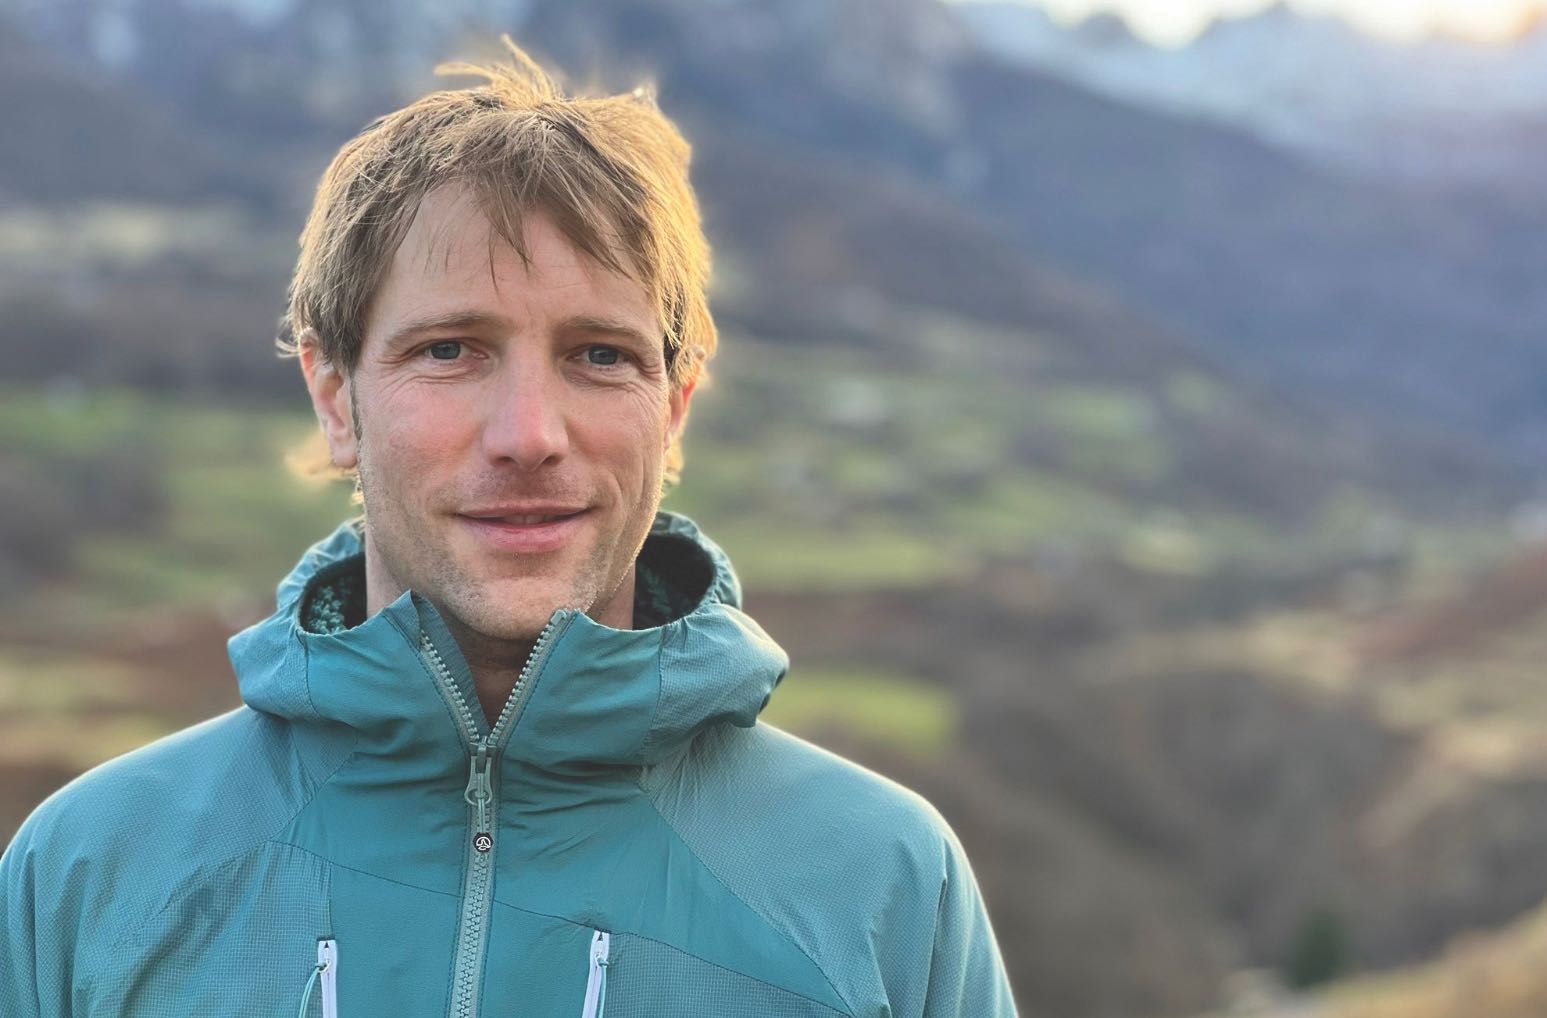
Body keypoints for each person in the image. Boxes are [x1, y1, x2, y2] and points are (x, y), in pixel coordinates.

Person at [0, 39, 1016, 1017]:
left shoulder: (884, 885)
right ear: (333, 394)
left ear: (674, 408)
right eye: (450, 350)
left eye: (600, 355)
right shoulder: (88, 877)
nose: (529, 435)